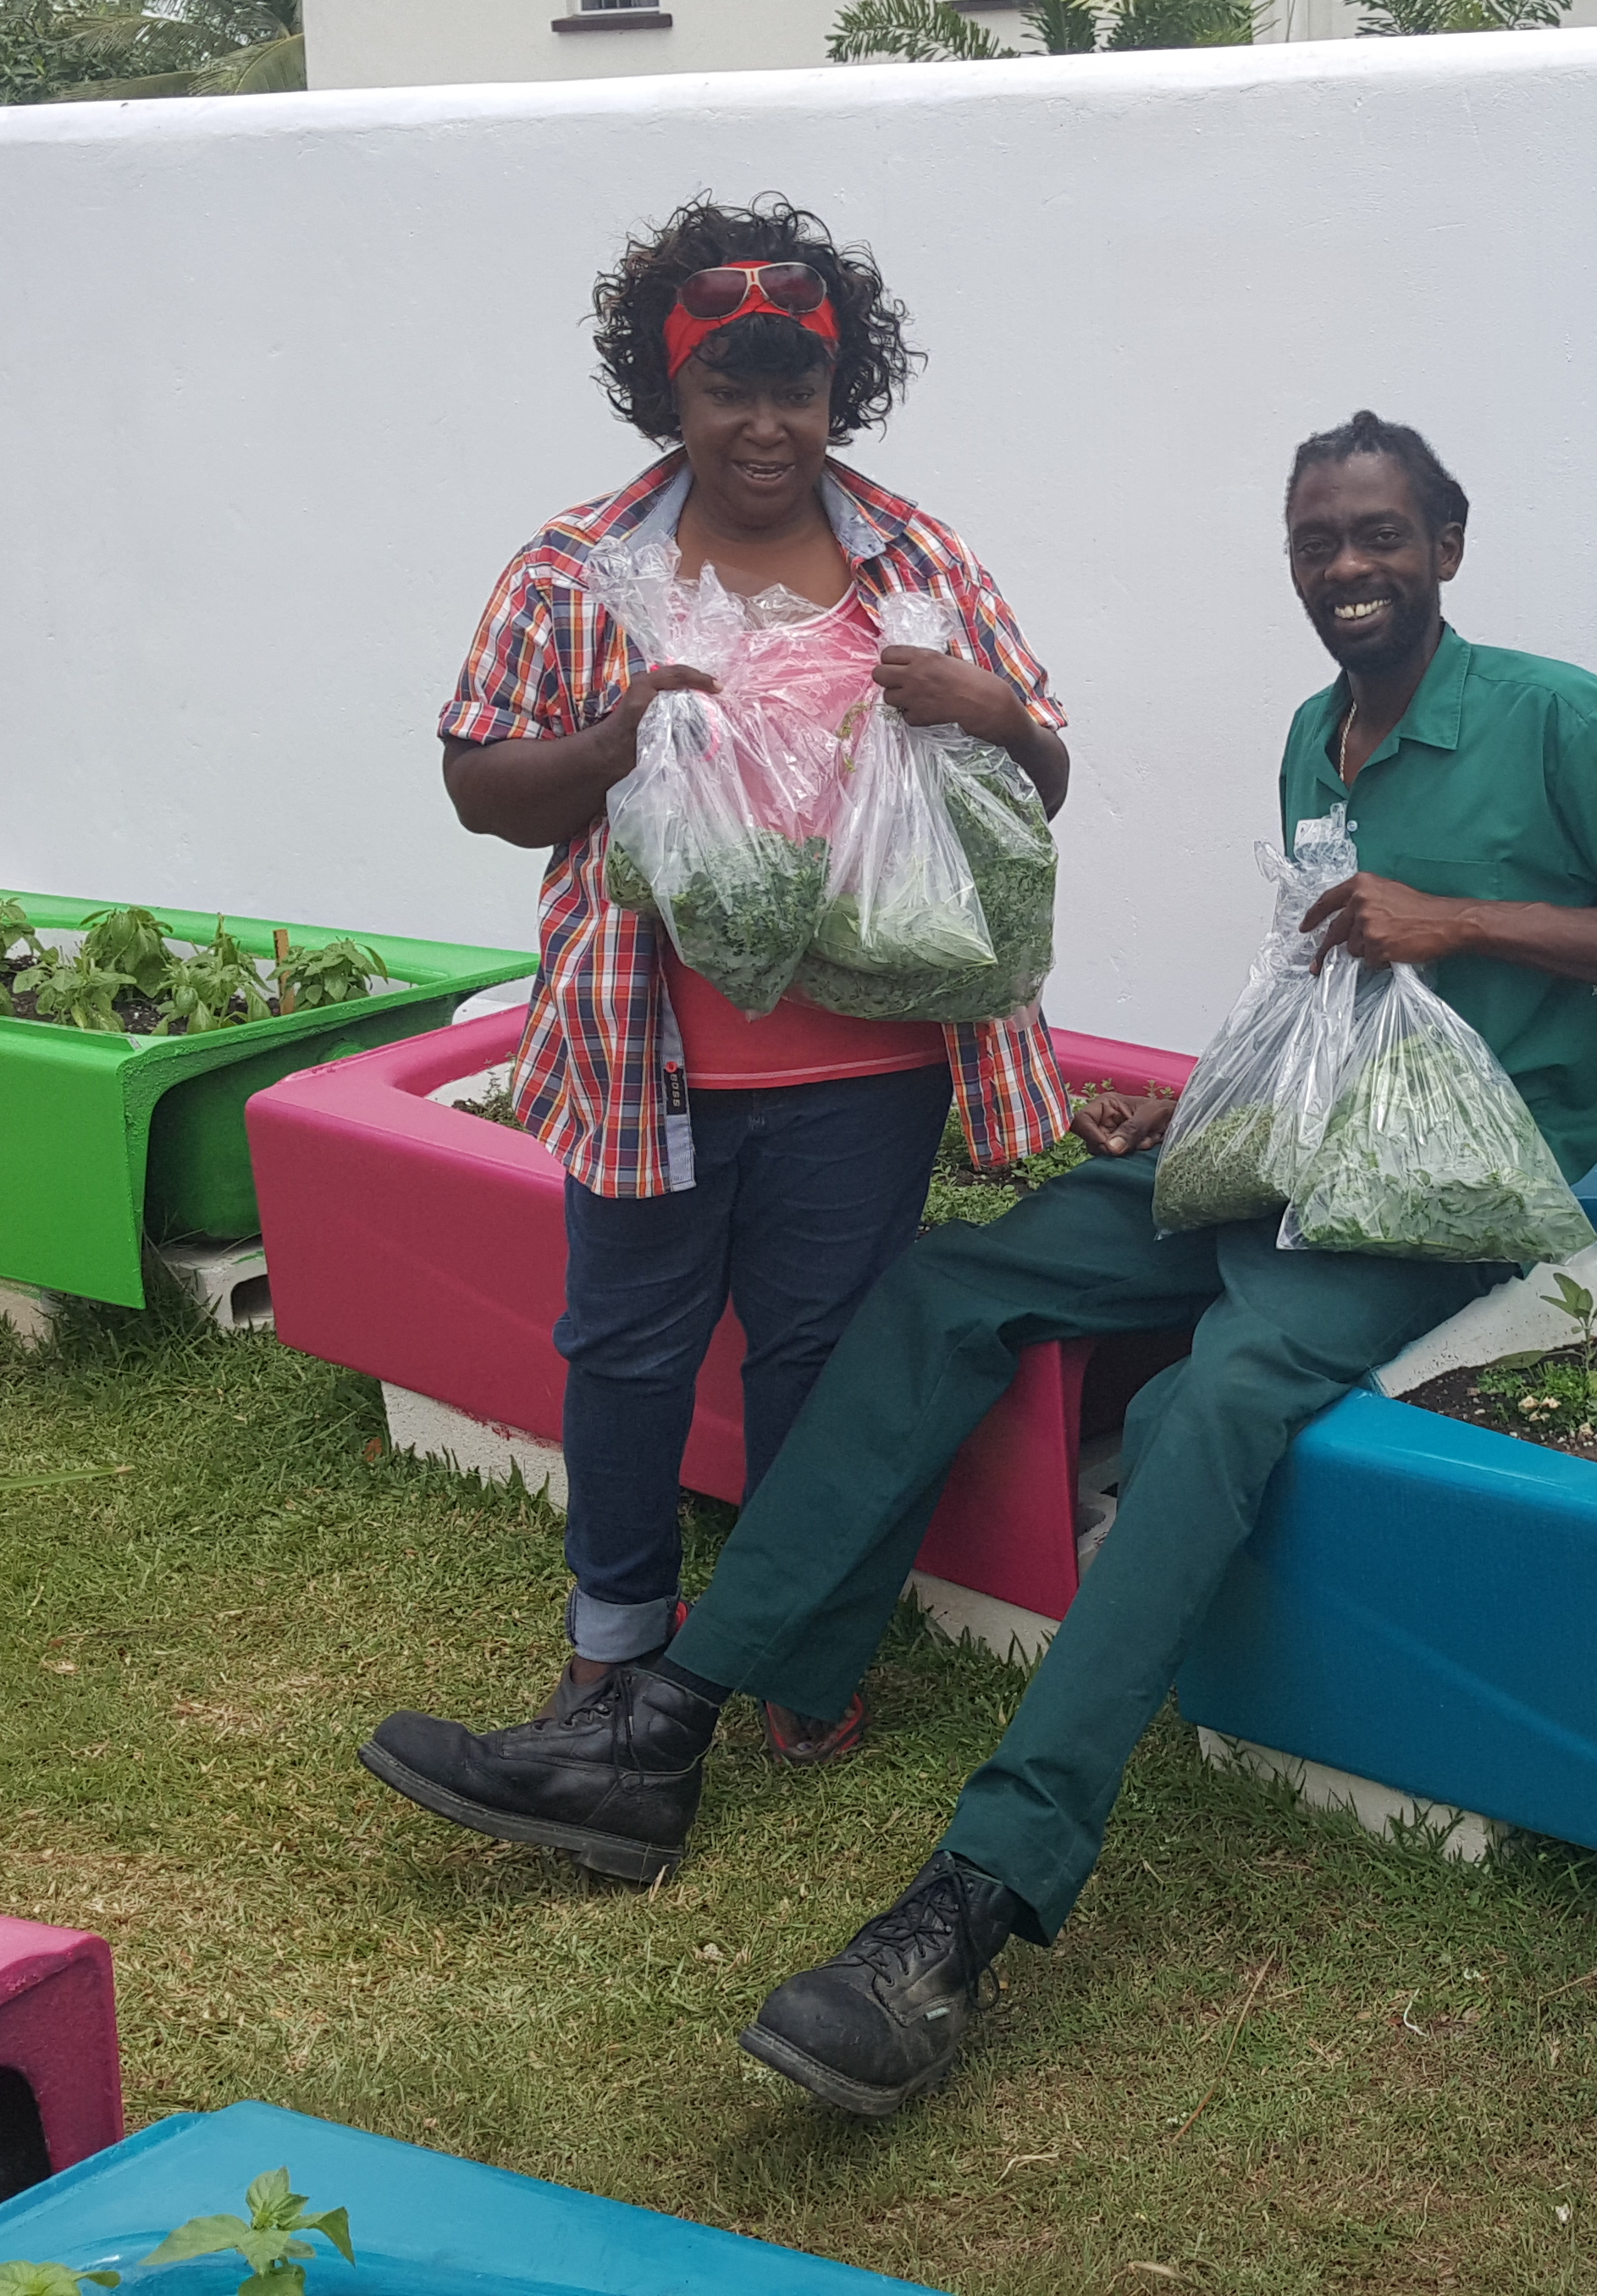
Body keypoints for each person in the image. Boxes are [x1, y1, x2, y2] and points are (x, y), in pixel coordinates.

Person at [362, 408, 1597, 2117]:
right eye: (1320, 540)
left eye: (1383, 536)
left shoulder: (1551, 719)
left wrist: (1463, 919)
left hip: (1455, 1179)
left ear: (1447, 551)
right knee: (957, 1282)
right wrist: (1203, 1114)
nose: (1351, 567)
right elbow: (1331, 975)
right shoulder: (1315, 737)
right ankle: (659, 1726)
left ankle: (970, 1905)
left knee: (1212, 1405)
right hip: (1301, 1134)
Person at [362, 196, 1076, 1851]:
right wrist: (625, 737)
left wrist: (993, 713)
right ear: (665, 397)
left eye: (799, 385)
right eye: (727, 387)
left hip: (871, 1068)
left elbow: (1033, 790)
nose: (765, 422)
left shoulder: (920, 563)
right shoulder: (577, 568)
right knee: (626, 1356)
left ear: (844, 390)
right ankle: (613, 1663)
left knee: (823, 1364)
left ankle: (807, 1656)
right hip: (650, 1058)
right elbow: (482, 786)